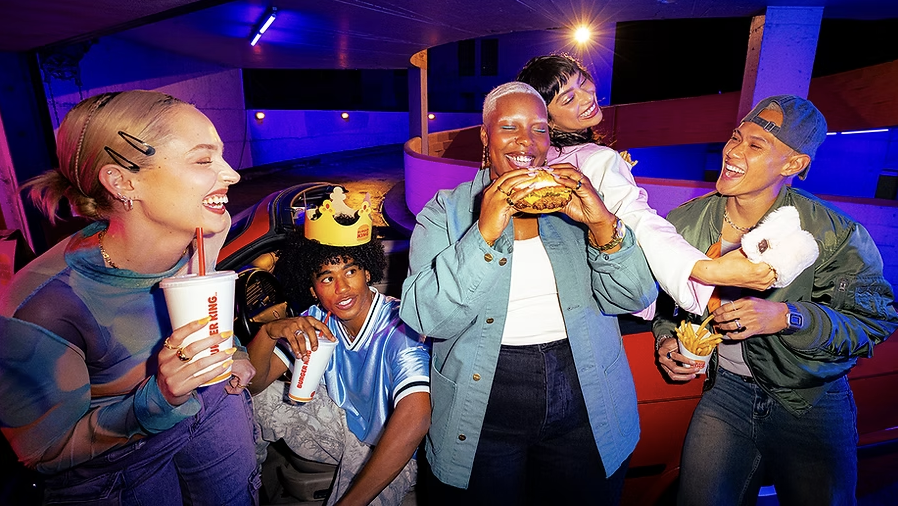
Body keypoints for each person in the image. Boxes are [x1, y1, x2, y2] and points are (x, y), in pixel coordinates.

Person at [399, 81, 658, 505]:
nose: (527, 141)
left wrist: (601, 224)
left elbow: (634, 296)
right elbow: (427, 317)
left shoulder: (577, 204)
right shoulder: (446, 211)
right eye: (509, 127)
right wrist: (484, 232)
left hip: (586, 393)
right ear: (485, 137)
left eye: (539, 129)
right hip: (483, 404)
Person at [0, 90, 259, 504]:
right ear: (122, 181)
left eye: (222, 156)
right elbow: (43, 452)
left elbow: (203, 310)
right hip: (115, 469)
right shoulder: (41, 306)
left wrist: (233, 351)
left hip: (209, 406)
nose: (232, 174)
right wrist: (161, 398)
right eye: (203, 160)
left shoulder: (205, 232)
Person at [652, 95, 898, 505]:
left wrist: (787, 316)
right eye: (736, 137)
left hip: (809, 401)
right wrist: (666, 339)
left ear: (793, 164)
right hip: (724, 396)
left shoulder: (834, 233)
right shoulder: (684, 223)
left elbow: (873, 321)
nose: (733, 151)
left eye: (755, 145)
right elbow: (666, 302)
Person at [517, 54, 775, 316]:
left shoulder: (538, 161)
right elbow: (635, 218)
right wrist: (703, 269)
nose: (586, 97)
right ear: (546, 119)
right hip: (609, 296)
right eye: (569, 99)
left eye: (583, 82)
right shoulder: (597, 159)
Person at [247, 192, 430, 506]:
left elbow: (416, 415)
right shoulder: (316, 319)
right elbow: (254, 385)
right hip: (341, 426)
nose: (342, 288)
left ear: (367, 272)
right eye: (327, 278)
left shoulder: (400, 327)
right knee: (244, 402)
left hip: (391, 447)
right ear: (313, 290)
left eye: (350, 271)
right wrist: (269, 331)